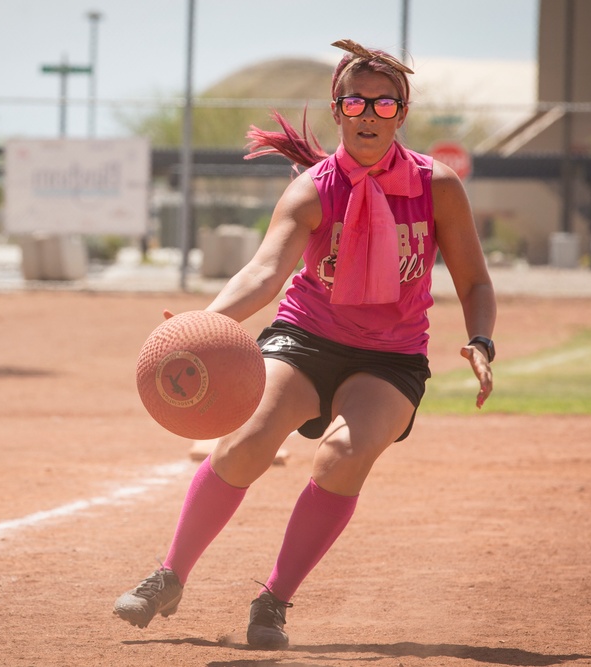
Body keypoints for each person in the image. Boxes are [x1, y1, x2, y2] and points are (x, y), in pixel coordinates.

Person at [113, 39, 496, 649]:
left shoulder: (437, 186)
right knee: (245, 441)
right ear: (338, 108)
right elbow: (264, 273)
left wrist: (481, 341)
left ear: (402, 113)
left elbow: (474, 280)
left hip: (392, 355)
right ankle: (170, 574)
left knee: (342, 455)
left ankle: (273, 600)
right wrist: (202, 325)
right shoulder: (313, 190)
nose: (369, 113)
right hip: (307, 336)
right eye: (356, 101)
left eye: (384, 103)